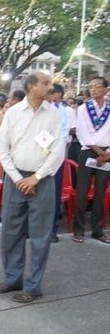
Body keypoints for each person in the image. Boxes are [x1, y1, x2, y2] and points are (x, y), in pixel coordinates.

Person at [0, 72, 63, 303]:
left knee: (40, 236)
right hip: (15, 180)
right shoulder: (13, 113)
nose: (50, 87)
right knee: (11, 232)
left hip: (42, 181)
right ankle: (12, 278)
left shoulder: (53, 115)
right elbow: (2, 147)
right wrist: (16, 178)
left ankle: (33, 286)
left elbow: (58, 150)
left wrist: (36, 177)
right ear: (32, 86)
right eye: (45, 83)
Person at [73, 77, 110, 244]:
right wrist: (98, 151)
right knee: (82, 193)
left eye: (98, 86)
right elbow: (82, 132)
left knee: (100, 194)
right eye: (91, 86)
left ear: (106, 89)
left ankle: (97, 230)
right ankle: (78, 229)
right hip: (88, 152)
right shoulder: (82, 108)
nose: (94, 89)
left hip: (107, 154)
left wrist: (107, 153)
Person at [48, 83, 73, 243]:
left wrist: (53, 147)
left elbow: (65, 134)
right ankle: (31, 227)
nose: (51, 95)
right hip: (38, 156)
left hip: (55, 157)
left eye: (53, 92)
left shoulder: (65, 111)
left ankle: (52, 230)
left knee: (54, 193)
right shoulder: (41, 109)